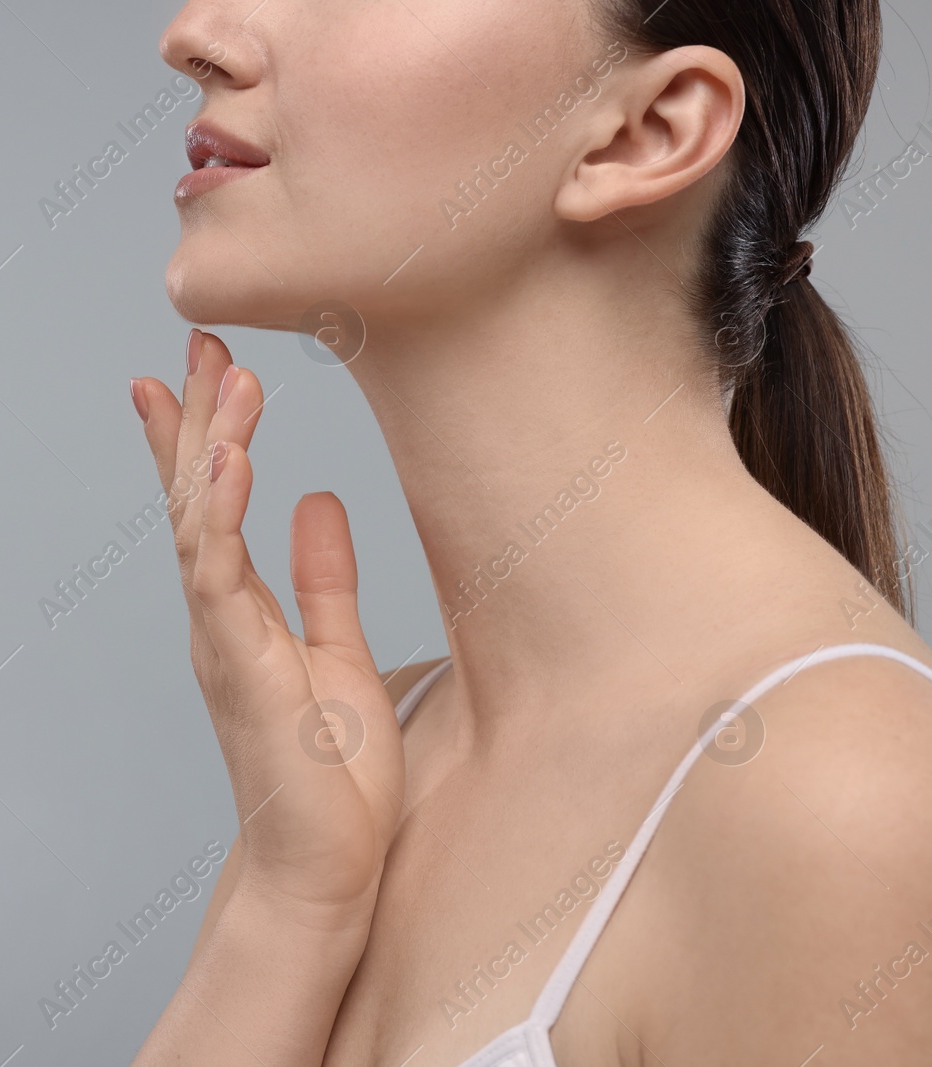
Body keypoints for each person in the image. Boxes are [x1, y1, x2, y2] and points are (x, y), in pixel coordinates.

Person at [125, 0, 932, 1062]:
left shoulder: (844, 799)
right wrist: (286, 906)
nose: (192, 33)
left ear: (648, 130)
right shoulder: (364, 772)